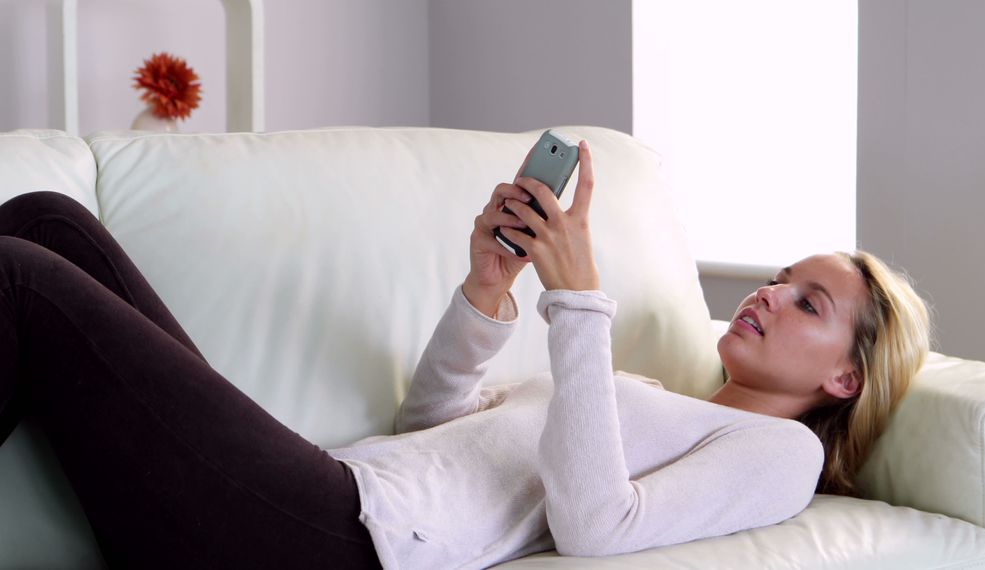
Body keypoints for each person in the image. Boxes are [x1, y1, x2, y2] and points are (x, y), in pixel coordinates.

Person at [0, 139, 929, 570]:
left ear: (842, 379)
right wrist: (490, 288)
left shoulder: (785, 454)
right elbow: (427, 437)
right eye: (779, 276)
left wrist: (576, 300)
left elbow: (598, 525)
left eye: (808, 303)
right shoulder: (638, 390)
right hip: (334, 488)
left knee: (20, 279)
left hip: (338, 542)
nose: (767, 293)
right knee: (48, 224)